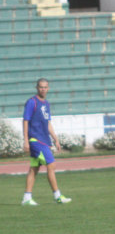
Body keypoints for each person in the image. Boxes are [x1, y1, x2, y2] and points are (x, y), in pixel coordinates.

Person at [21, 78, 71, 206]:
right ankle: (57, 196)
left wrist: (55, 139)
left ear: (48, 88)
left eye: (45, 87)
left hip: (44, 140)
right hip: (35, 140)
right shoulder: (32, 102)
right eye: (41, 87)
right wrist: (26, 140)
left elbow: (48, 123)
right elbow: (25, 121)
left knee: (34, 169)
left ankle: (27, 197)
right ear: (37, 88)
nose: (43, 89)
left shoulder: (46, 104)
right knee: (51, 165)